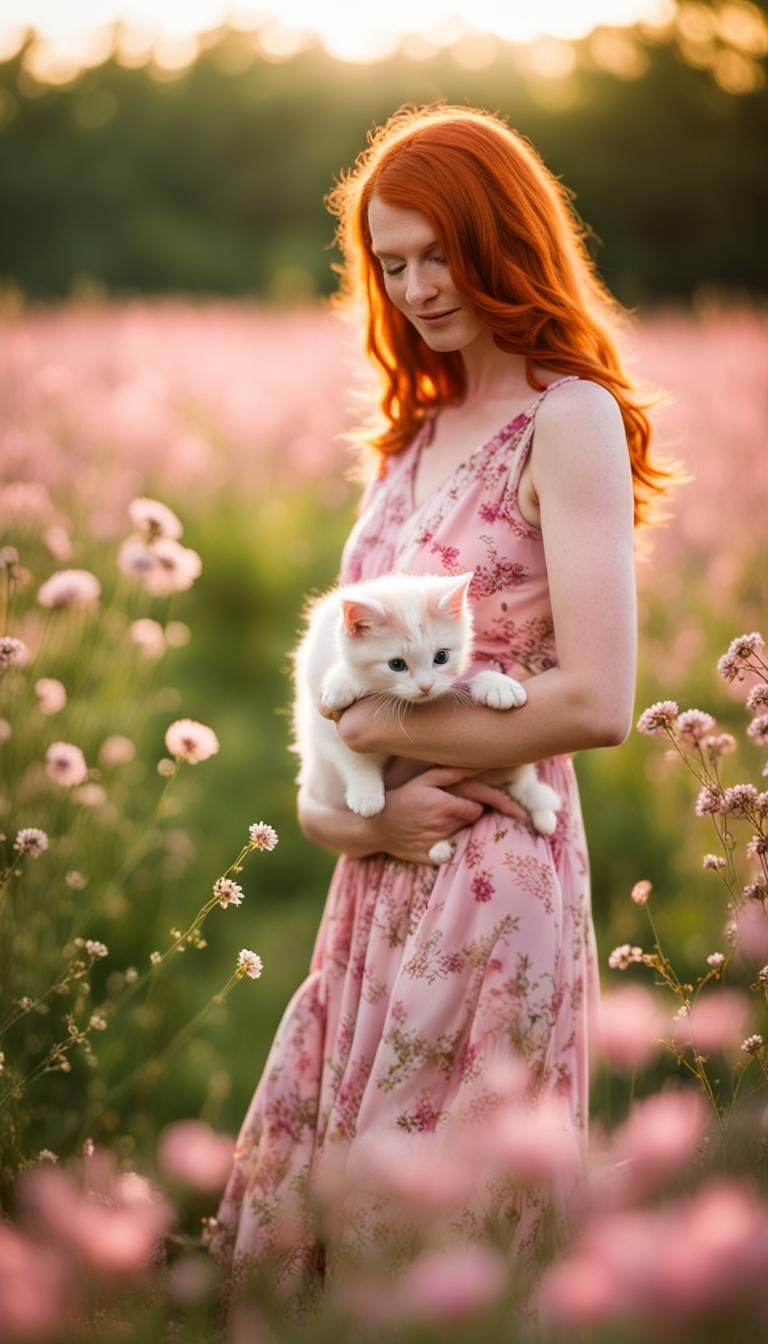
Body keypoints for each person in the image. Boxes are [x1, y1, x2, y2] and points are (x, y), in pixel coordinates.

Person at [212, 103, 675, 1298]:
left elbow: (598, 701)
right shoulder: (407, 439)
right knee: (332, 1232)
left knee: (437, 1250)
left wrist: (384, 729)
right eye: (391, 262)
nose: (416, 287)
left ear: (504, 240)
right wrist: (357, 819)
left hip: (495, 877)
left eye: (439, 254)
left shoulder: (567, 417)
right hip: (371, 889)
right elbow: (328, 739)